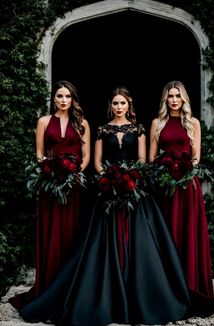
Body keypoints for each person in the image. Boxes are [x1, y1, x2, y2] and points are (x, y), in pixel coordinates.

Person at [13, 86, 190, 326]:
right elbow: (96, 163)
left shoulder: (138, 129)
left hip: (134, 190)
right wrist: (109, 177)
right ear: (111, 106)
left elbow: (142, 160)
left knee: (141, 244)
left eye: (123, 103)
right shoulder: (101, 129)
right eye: (115, 103)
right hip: (107, 189)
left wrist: (131, 178)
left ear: (129, 105)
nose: (119, 107)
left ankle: (141, 294)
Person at [149, 80, 214, 315]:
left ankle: (191, 287)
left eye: (178, 96)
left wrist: (185, 172)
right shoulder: (157, 123)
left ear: (184, 99)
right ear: (165, 99)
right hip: (166, 186)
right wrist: (164, 171)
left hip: (187, 185)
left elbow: (196, 158)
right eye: (170, 96)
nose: (174, 100)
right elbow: (151, 158)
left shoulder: (193, 122)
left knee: (188, 233)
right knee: (168, 233)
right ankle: (167, 289)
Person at [9, 80, 90, 309]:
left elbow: (85, 156)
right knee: (51, 231)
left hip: (73, 186)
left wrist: (72, 175)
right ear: (53, 99)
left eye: (67, 96)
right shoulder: (44, 121)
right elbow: (39, 154)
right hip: (50, 186)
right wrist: (53, 173)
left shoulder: (82, 123)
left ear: (72, 99)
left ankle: (69, 286)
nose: (63, 100)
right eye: (59, 96)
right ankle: (47, 285)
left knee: (72, 231)